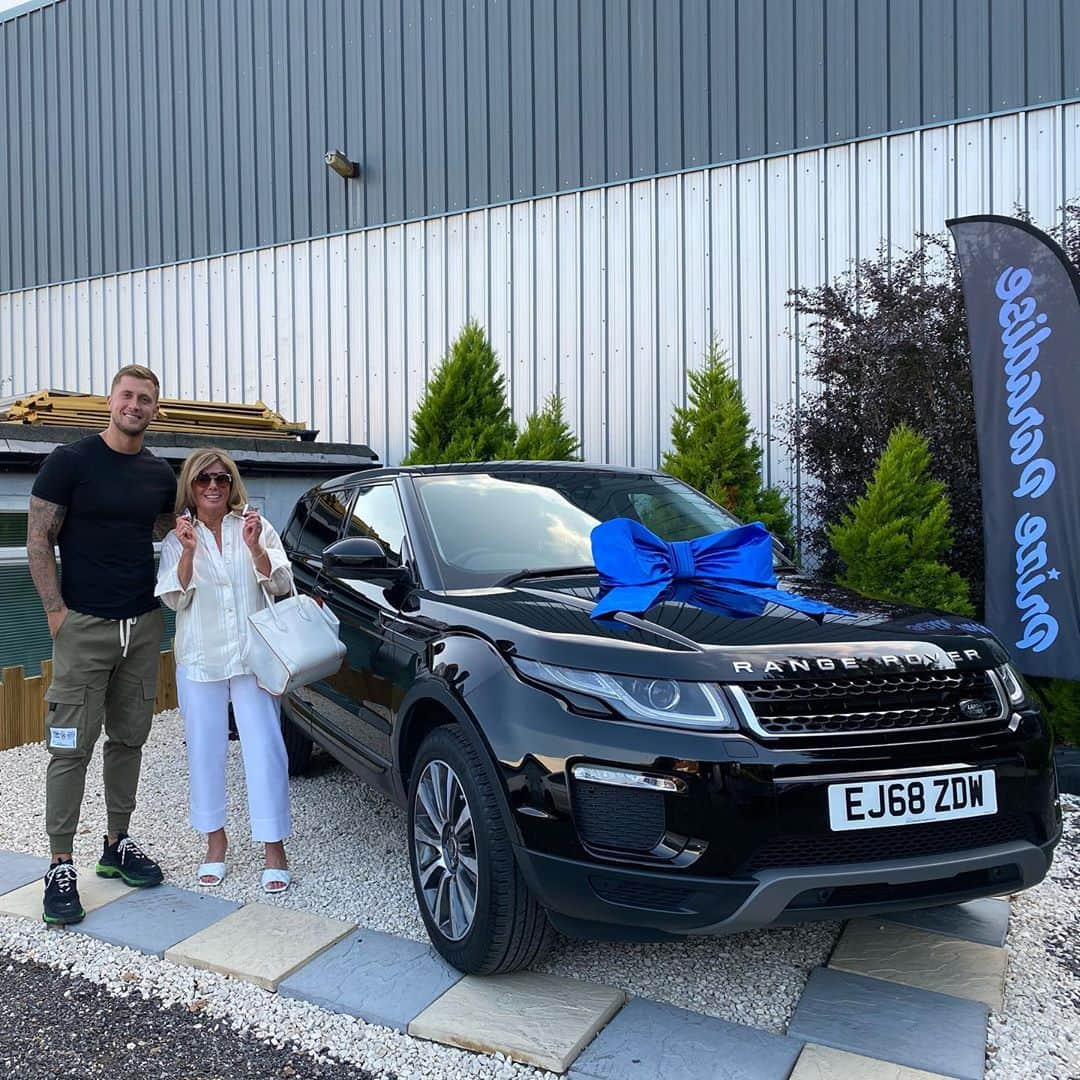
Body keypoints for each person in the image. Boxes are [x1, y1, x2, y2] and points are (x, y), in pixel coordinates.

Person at [28, 365, 177, 926]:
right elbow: (38, 538)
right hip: (83, 627)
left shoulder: (159, 474)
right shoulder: (70, 462)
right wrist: (55, 615)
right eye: (127, 395)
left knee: (129, 739)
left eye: (145, 399)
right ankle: (60, 863)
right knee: (70, 745)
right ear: (110, 400)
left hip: (141, 627)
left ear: (154, 410)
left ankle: (117, 843)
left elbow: (169, 531)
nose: (135, 405)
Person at [155, 448, 295, 892]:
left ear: (232, 484)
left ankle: (274, 846)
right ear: (190, 488)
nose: (213, 486)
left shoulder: (255, 526)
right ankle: (215, 843)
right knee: (204, 751)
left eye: (221, 479)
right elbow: (174, 599)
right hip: (201, 658)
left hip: (252, 657)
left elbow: (283, 584)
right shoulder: (179, 537)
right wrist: (188, 554)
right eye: (203, 480)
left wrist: (256, 551)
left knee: (266, 749)